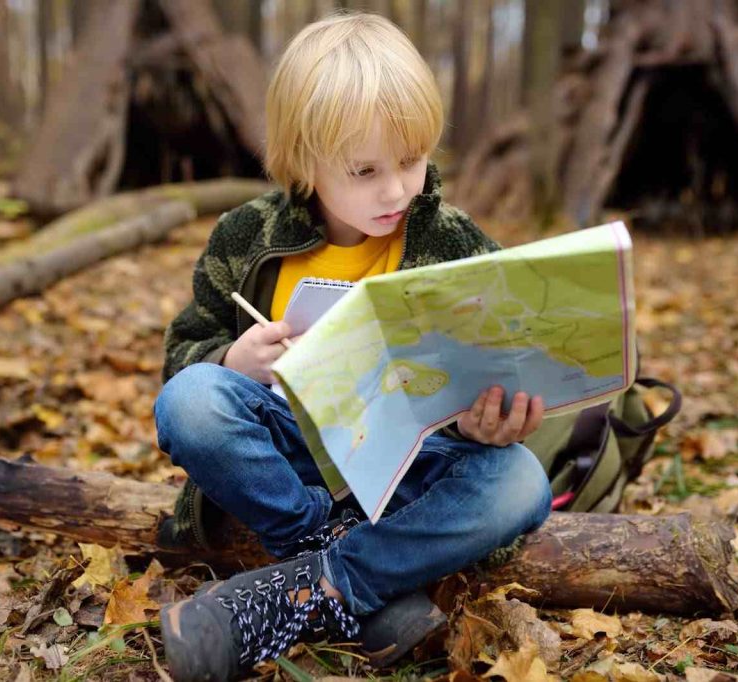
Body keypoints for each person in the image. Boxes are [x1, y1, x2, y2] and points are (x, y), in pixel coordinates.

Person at [154, 12, 552, 681]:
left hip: (409, 469)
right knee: (191, 401)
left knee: (521, 482)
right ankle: (342, 567)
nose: (396, 188)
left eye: (410, 161)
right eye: (365, 170)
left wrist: (487, 423)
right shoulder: (245, 236)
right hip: (289, 465)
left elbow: (503, 360)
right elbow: (181, 357)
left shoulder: (454, 242)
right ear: (305, 161)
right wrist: (232, 361)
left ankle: (314, 584)